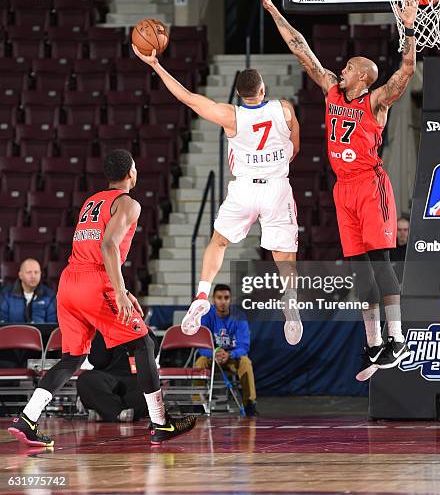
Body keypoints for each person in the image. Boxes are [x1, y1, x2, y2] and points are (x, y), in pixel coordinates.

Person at [261, 0, 415, 381]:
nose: (341, 70)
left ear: (364, 77)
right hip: (343, 188)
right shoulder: (331, 90)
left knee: (380, 261)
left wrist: (411, 29)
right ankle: (373, 343)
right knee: (359, 268)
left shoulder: (377, 101)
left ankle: (397, 338)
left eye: (349, 68)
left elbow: (407, 69)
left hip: (370, 184)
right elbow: (303, 51)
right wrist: (276, 12)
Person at [7, 150, 196, 447]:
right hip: (96, 281)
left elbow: (95, 248)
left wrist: (125, 291)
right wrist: (119, 291)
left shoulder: (91, 201)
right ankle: (161, 422)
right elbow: (108, 246)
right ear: (131, 174)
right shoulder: (129, 204)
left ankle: (28, 418)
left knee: (72, 358)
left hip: (70, 282)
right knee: (143, 342)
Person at [132, 46, 303, 345]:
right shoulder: (285, 108)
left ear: (238, 94)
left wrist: (156, 65)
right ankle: (290, 300)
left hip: (244, 187)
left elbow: (186, 97)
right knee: (283, 254)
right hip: (276, 186)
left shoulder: (229, 115)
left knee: (219, 242)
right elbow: (296, 148)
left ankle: (201, 293)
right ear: (263, 89)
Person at [195, 283, 258, 416]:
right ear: (213, 299)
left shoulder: (239, 317)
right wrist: (214, 352)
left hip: (231, 357)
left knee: (246, 363)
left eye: (226, 297)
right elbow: (201, 345)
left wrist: (230, 354)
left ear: (230, 299)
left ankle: (249, 403)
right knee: (200, 363)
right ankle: (198, 403)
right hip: (212, 357)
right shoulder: (206, 315)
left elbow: (244, 346)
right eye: (219, 298)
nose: (223, 301)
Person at [77, 329, 160, 423]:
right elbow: (98, 360)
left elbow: (149, 357)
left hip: (134, 380)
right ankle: (118, 413)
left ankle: (104, 411)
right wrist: (105, 334)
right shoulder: (101, 330)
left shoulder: (144, 331)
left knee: (150, 393)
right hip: (105, 378)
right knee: (86, 380)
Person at [0, 259, 56, 324]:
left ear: (41, 274)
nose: (33, 276)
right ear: (20, 275)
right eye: (29, 272)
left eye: (36, 272)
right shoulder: (6, 294)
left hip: (41, 334)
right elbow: (2, 324)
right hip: (13, 333)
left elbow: (52, 325)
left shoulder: (49, 296)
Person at [390, 216, 410, 283]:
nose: (402, 233)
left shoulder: (414, 248)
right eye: (399, 230)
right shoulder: (389, 249)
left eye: (405, 230)